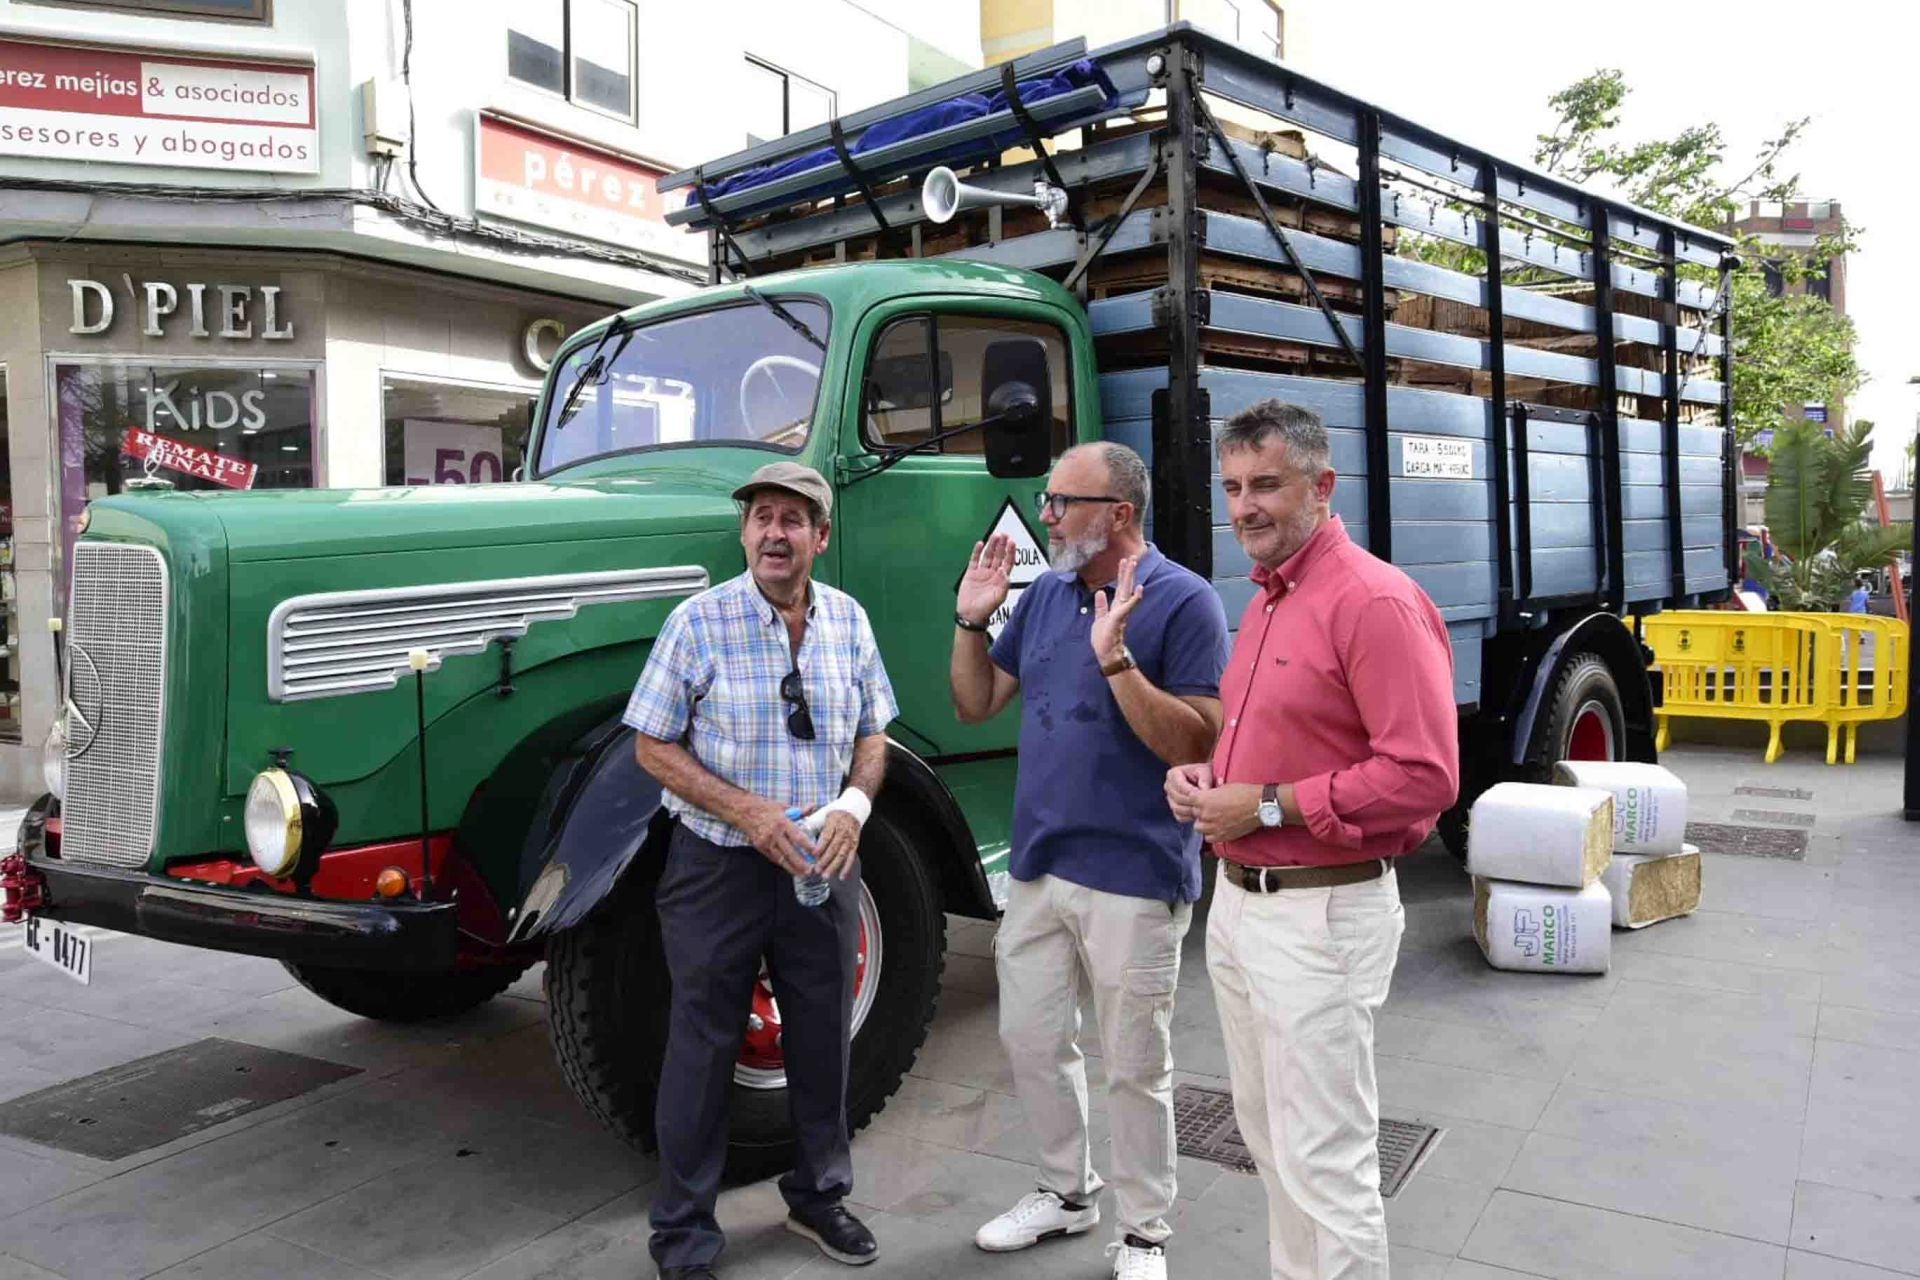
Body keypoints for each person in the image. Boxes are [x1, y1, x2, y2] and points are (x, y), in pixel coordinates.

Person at [1166, 401, 1458, 1280]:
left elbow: (1426, 776)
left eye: (1266, 485)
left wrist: (1263, 808)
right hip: (1244, 914)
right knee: (1272, 1143)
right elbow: (1266, 747)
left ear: (1323, 487)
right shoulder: (1263, 603)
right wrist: (1206, 777)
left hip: (1322, 917)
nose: (1245, 506)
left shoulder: (1372, 601)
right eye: (1232, 488)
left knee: (1326, 1161)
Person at [951, 442, 1229, 1280]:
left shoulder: (1184, 602)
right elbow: (973, 705)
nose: (1045, 516)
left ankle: (1145, 1233)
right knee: (1032, 1040)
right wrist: (971, 616)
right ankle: (1066, 1193)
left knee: (1136, 1065)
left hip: (1136, 872)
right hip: (1039, 868)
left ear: (1120, 513)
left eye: (1061, 501)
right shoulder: (1042, 598)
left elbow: (1198, 739)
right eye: (1044, 501)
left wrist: (1117, 659)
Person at [625, 461, 897, 1280]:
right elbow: (650, 744)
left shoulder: (848, 620)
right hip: (719, 866)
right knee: (703, 1045)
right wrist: (745, 810)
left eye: (793, 519)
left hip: (822, 862)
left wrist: (853, 807)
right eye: (761, 518)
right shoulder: (697, 623)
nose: (775, 533)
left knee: (823, 1037)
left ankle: (819, 1197)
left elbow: (875, 733)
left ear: (821, 536)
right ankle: (683, 1233)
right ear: (744, 533)